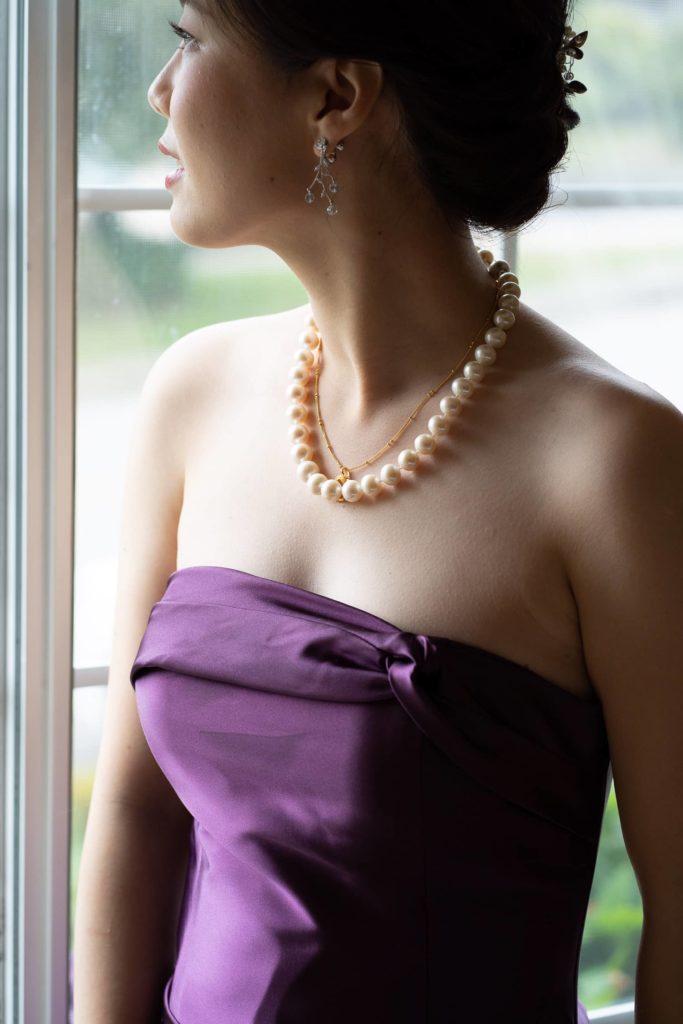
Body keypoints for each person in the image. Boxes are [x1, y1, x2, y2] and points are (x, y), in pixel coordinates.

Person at [73, 1, 683, 1022]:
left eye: (188, 40)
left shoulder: (614, 462)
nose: (157, 90)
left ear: (337, 94)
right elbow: (135, 817)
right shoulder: (191, 394)